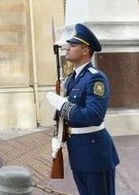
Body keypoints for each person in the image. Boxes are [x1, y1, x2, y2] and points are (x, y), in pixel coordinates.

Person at [46, 23, 119, 195]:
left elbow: (93, 115)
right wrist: (59, 135)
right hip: (77, 151)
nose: (67, 49)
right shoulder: (72, 78)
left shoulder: (95, 78)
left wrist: (62, 105)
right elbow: (68, 116)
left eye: (72, 45)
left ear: (85, 50)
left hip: (95, 153)